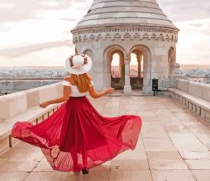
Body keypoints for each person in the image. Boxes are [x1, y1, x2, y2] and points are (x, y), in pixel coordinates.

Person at [11, 54, 142, 174]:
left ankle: (77, 165)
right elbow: (95, 96)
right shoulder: (87, 79)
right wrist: (106, 91)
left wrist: (47, 102)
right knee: (86, 136)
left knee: (73, 138)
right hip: (85, 109)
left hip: (72, 110)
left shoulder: (68, 79)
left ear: (71, 67)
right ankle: (84, 165)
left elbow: (64, 98)